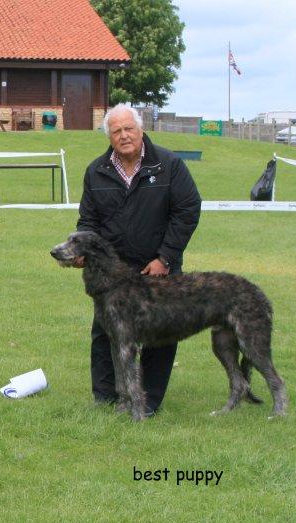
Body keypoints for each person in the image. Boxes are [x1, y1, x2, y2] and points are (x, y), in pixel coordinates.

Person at [76, 103, 202, 416]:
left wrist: (166, 258)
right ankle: (105, 398)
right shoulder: (96, 171)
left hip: (159, 268)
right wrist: (83, 249)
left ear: (140, 129)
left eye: (128, 128)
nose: (123, 136)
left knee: (160, 335)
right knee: (105, 332)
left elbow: (187, 210)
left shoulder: (169, 165)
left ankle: (148, 401)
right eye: (116, 131)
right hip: (112, 273)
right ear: (109, 136)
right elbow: (88, 221)